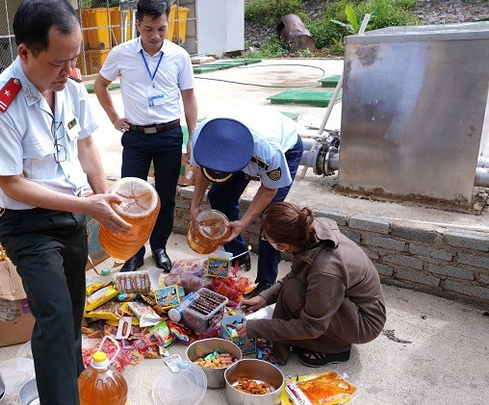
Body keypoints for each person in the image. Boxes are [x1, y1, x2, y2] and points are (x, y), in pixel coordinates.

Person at [0, 1, 130, 405]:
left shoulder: (71, 87)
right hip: (28, 226)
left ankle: (76, 389)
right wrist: (87, 205)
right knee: (55, 318)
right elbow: (13, 184)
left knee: (73, 313)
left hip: (72, 218)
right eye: (59, 62)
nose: (69, 71)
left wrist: (106, 196)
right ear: (25, 53)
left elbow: (86, 147)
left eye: (75, 59)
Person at [94, 0, 197, 272]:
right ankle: (133, 251)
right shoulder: (121, 53)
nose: (155, 36)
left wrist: (192, 137)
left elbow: (188, 96)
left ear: (168, 23)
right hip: (136, 138)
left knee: (166, 196)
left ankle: (159, 247)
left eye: (161, 28)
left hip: (169, 135)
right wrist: (115, 118)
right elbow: (100, 84)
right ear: (137, 24)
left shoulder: (179, 56)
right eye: (148, 29)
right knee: (128, 198)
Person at [234, 202, 387, 367]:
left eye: (268, 239)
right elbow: (297, 274)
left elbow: (311, 326)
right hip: (350, 304)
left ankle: (335, 347)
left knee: (294, 297)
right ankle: (325, 337)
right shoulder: (309, 230)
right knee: (292, 289)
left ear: (283, 246)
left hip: (365, 323)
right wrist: (265, 297)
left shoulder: (325, 271)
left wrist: (257, 328)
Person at [190, 106, 303, 296]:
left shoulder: (269, 152)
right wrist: (195, 204)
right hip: (236, 145)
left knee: (272, 220)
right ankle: (239, 254)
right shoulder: (201, 137)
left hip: (285, 147)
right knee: (218, 196)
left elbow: (269, 189)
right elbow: (201, 169)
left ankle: (266, 283)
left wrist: (242, 223)